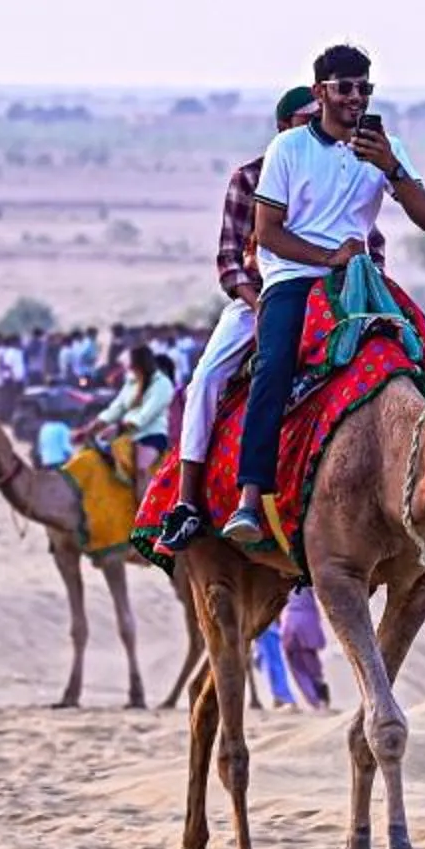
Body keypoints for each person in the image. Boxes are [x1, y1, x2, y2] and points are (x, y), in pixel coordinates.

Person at [223, 45, 425, 553]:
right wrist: (327, 256)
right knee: (273, 364)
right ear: (320, 93)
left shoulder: (387, 146)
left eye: (364, 88)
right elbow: (267, 233)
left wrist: (392, 168)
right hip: (295, 278)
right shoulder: (290, 149)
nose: (355, 98)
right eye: (344, 88)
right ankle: (250, 496)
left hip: (362, 279)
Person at [154, 86, 320, 551]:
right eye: (307, 118)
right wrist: (256, 300)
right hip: (262, 296)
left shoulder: (336, 168)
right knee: (206, 379)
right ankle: (187, 501)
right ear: (284, 127)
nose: (316, 126)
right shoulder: (250, 178)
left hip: (332, 296)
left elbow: (372, 240)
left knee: (406, 357)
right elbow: (230, 258)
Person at [82, 343, 176, 487]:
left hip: (151, 435)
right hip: (127, 435)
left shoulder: (162, 384)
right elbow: (116, 408)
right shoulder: (131, 383)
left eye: (133, 364)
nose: (130, 367)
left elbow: (145, 416)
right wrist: (91, 428)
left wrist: (117, 428)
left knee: (141, 468)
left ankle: (146, 508)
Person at [277, 583, 331, 710]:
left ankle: (315, 701)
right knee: (312, 665)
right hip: (308, 626)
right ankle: (321, 697)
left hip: (289, 626)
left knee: (298, 669)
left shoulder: (284, 585)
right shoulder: (308, 586)